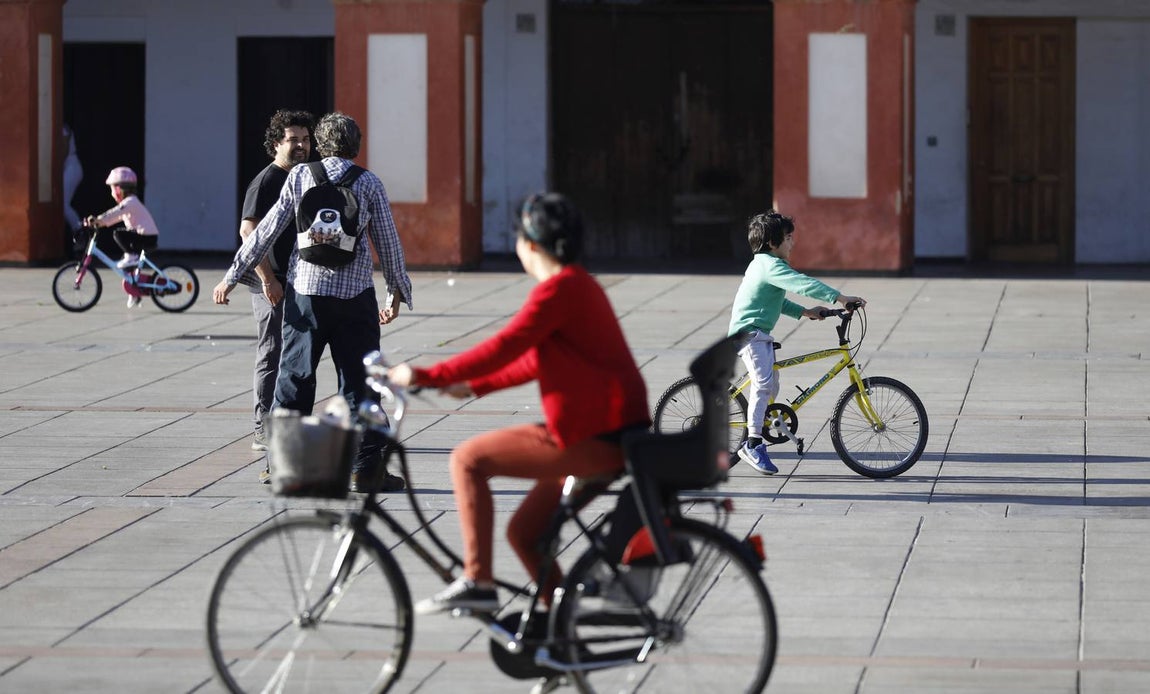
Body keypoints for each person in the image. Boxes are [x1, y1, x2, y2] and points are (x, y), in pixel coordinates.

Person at [387, 192, 651, 616]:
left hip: (591, 438)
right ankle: (562, 630)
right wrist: (474, 387)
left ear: (528, 244)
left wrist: (424, 374)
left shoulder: (559, 290)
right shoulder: (578, 284)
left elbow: (505, 345)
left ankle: (478, 580)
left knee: (467, 460)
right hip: (608, 435)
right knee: (525, 534)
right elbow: (533, 360)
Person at [212, 112, 413, 493]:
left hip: (305, 295)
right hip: (355, 298)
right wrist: (396, 292)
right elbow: (388, 243)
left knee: (294, 378)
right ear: (356, 146)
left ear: (320, 144)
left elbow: (266, 230)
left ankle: (283, 467)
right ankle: (364, 470)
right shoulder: (369, 182)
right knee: (359, 384)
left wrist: (233, 275)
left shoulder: (301, 176)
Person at [727, 210, 865, 475]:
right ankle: (752, 444)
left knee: (771, 384)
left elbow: (777, 301)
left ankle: (763, 422)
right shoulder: (771, 266)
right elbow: (803, 284)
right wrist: (840, 297)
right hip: (749, 335)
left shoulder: (763, 264)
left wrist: (806, 312)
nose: (793, 242)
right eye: (788, 238)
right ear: (772, 243)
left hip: (759, 334)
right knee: (763, 384)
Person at [236, 109, 315, 464]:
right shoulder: (266, 182)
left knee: (291, 354)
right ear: (275, 144)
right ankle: (262, 427)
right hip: (270, 282)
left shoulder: (301, 177)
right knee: (271, 352)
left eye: (305, 139)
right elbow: (248, 232)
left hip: (294, 279)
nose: (301, 146)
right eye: (293, 140)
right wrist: (268, 279)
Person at [86, 166, 160, 307]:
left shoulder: (130, 202)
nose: (112, 193)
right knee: (129, 268)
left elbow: (114, 213)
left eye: (112, 189)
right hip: (144, 237)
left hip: (146, 237)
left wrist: (98, 220)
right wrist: (99, 222)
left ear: (119, 189)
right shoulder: (129, 203)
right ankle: (135, 292)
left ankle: (131, 257)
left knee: (118, 234)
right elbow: (115, 218)